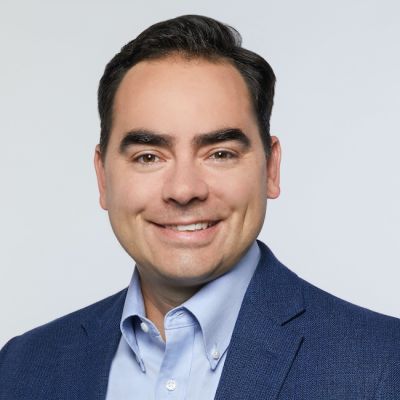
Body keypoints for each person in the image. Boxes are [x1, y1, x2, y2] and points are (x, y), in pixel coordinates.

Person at [0, 14, 399, 400]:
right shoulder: (21, 367)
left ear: (271, 168)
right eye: (148, 157)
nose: (184, 189)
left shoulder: (382, 363)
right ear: (103, 177)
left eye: (220, 153)